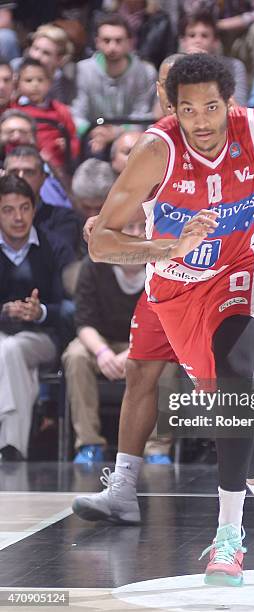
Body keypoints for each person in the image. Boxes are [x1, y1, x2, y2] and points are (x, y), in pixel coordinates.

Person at [78, 52, 254, 587]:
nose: (202, 121)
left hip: (242, 268)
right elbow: (100, 243)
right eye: (189, 109)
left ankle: (229, 539)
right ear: (172, 107)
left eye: (212, 106)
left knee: (236, 376)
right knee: (225, 415)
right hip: (176, 285)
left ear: (230, 103)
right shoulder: (154, 151)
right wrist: (170, 243)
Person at [62, 225, 146, 464]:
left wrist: (133, 352)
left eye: (142, 226)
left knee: (166, 361)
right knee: (75, 355)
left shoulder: (161, 267)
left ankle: (155, 449)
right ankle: (89, 443)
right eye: (129, 226)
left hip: (145, 343)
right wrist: (102, 352)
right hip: (104, 340)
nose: (136, 232)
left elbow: (165, 325)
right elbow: (84, 322)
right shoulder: (94, 265)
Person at [0, 173, 68, 461]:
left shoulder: (55, 246)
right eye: (8, 210)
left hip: (44, 337)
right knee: (9, 354)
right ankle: (12, 448)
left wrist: (40, 311)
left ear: (34, 208)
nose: (18, 217)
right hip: (4, 335)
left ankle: (11, 443)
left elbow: (74, 307)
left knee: (11, 349)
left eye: (25, 208)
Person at [71, 13, 156, 156]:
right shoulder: (83, 70)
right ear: (97, 42)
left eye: (118, 40)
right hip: (92, 135)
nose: (112, 47)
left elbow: (142, 116)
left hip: (131, 137)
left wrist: (116, 132)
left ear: (130, 42)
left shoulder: (145, 72)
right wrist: (94, 130)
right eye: (106, 40)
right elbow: (77, 114)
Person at [3, 145, 81, 260]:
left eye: (29, 172)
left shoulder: (64, 219)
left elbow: (59, 258)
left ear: (43, 178)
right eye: (14, 172)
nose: (20, 177)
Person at [13, 58, 79, 170]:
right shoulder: (14, 109)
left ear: (49, 83)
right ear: (18, 84)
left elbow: (74, 138)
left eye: (40, 80)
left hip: (57, 167)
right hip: (22, 163)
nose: (35, 85)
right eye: (28, 80)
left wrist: (68, 145)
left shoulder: (59, 109)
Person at [0, 109, 73, 209]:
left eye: (23, 132)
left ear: (34, 139)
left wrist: (55, 169)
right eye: (10, 132)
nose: (16, 137)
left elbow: (69, 203)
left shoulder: (49, 169)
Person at [179, 12, 248, 106]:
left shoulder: (234, 66)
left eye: (204, 36)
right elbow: (160, 112)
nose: (197, 40)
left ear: (215, 42)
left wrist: (208, 67)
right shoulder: (172, 65)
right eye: (192, 35)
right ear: (183, 41)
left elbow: (239, 109)